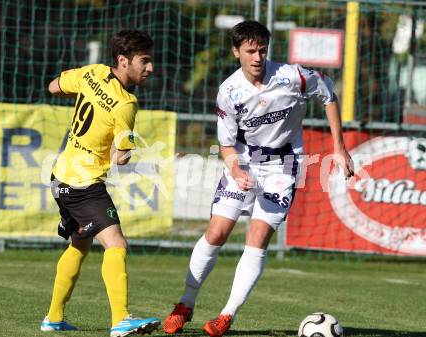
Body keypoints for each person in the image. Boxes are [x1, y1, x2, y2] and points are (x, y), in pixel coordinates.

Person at [163, 20, 354, 337]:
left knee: (257, 239)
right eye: (250, 50)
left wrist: (339, 147)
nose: (257, 57)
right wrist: (236, 169)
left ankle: (226, 316)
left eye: (262, 50)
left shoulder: (292, 76)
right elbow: (225, 144)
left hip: (283, 166)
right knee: (217, 232)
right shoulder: (229, 92)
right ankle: (184, 304)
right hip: (244, 162)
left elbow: (329, 93)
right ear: (236, 51)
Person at [40, 30, 160, 337]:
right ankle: (121, 320)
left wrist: (86, 94)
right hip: (83, 185)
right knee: (116, 244)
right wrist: (128, 150)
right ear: (123, 61)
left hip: (60, 176)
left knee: (80, 244)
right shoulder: (127, 104)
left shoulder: (92, 72)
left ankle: (53, 318)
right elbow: (121, 157)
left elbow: (54, 87)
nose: (150, 68)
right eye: (144, 61)